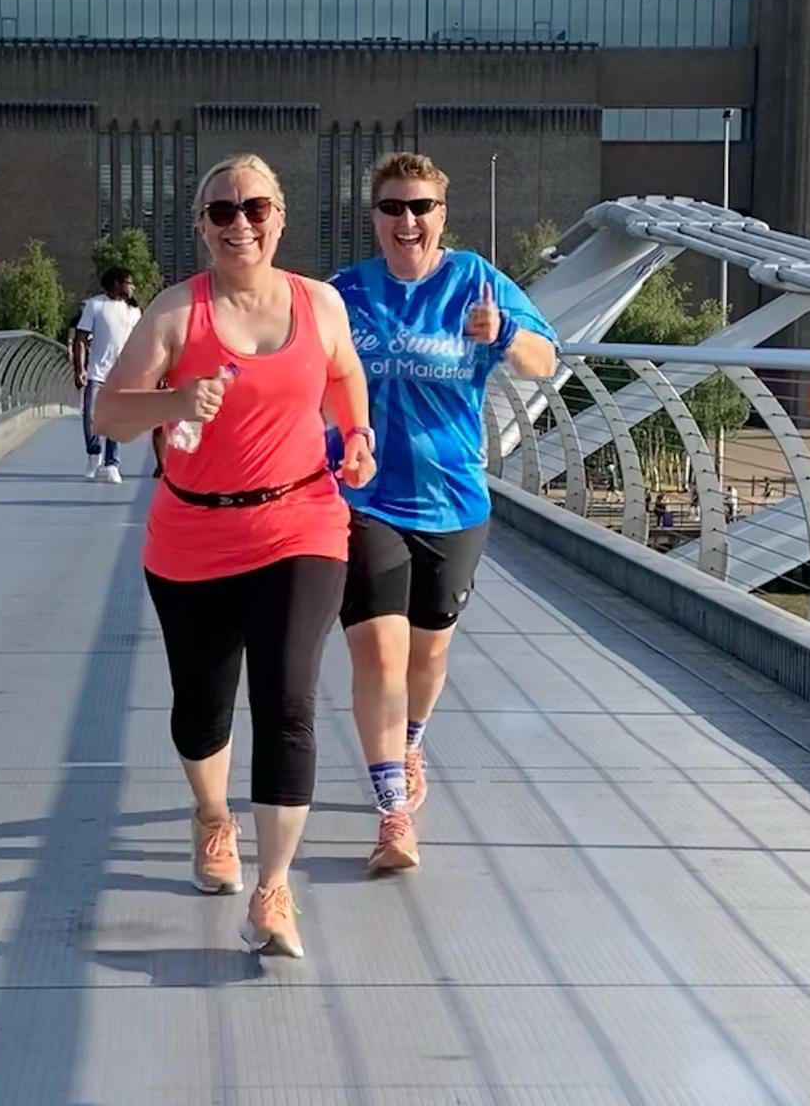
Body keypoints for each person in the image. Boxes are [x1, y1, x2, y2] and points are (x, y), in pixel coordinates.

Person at [95, 154, 375, 958]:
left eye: (255, 208)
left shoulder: (318, 304)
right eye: (222, 212)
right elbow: (112, 413)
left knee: (287, 700)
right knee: (201, 706)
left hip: (303, 523)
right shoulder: (177, 313)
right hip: (192, 537)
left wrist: (355, 434)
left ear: (281, 217)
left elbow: (344, 376)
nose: (239, 224)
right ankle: (213, 818)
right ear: (202, 225)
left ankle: (273, 889)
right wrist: (176, 401)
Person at [330, 152, 556, 874]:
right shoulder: (344, 294)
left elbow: (545, 361)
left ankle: (413, 740)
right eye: (393, 207)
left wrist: (504, 337)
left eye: (421, 207)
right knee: (378, 651)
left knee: (428, 653)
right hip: (362, 498)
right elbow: (295, 366)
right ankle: (392, 808)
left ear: (441, 215)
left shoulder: (477, 282)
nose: (408, 221)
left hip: (453, 499)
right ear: (373, 217)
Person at [71, 266, 141, 483]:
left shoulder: (134, 311)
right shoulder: (96, 305)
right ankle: (94, 454)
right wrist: (79, 368)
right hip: (97, 373)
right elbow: (81, 338)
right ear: (117, 283)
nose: (133, 287)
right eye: (129, 282)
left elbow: (141, 342)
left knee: (116, 418)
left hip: (122, 374)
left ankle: (112, 464)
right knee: (91, 417)